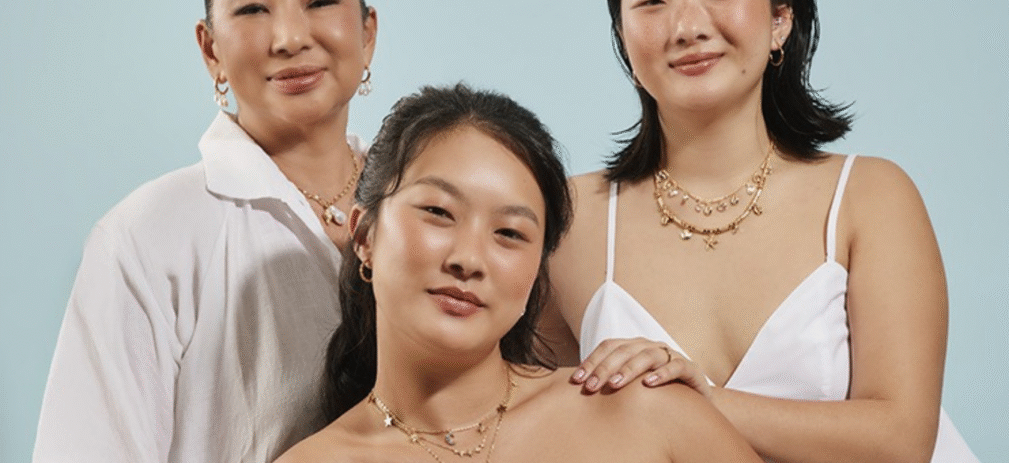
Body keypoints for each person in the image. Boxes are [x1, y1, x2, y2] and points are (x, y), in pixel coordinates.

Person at [544, 0, 979, 462]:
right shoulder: (570, 218)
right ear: (623, 37)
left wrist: (698, 401)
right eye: (651, 2)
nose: (687, 26)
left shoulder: (869, 197)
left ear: (780, 20)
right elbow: (537, 423)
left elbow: (901, 441)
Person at [33, 0, 377, 463]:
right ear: (210, 49)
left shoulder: (426, 209)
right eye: (253, 10)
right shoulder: (147, 235)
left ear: (367, 32)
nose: (290, 37)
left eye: (319, 1)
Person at [275, 83, 761, 463]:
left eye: (509, 233)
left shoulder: (643, 409)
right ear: (364, 236)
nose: (469, 259)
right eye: (439, 212)